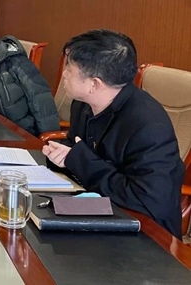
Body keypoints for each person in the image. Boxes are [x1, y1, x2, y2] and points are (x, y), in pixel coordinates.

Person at [42, 30, 184, 238]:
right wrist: (64, 156)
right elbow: (78, 149)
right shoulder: (83, 105)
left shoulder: (148, 126)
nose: (63, 74)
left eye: (69, 69)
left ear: (94, 84)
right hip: (97, 211)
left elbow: (148, 201)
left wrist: (81, 161)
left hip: (146, 233)